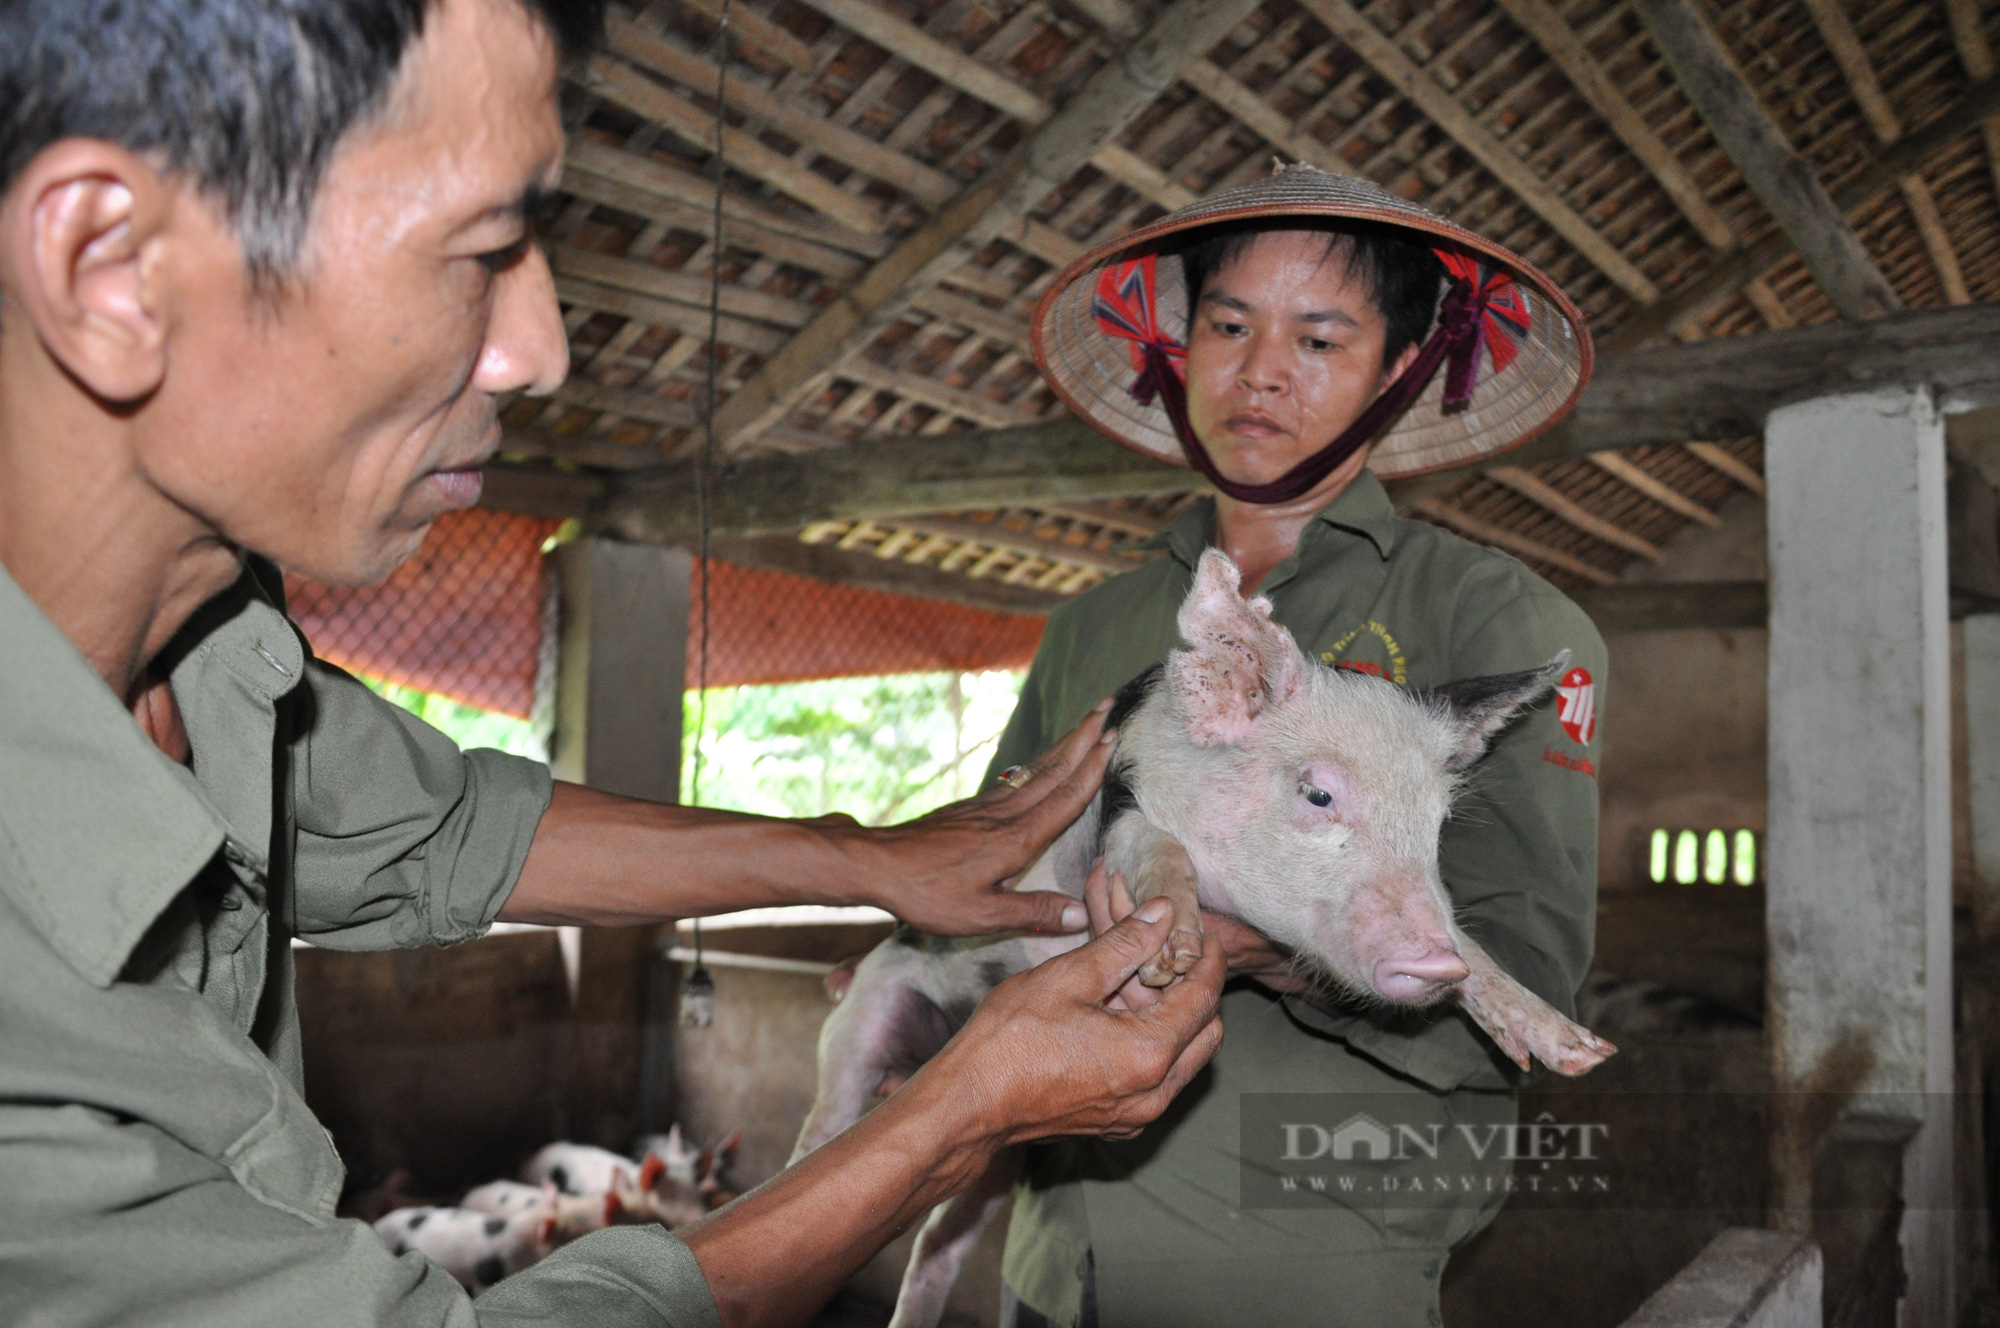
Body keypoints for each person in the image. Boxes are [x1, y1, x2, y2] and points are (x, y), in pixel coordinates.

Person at [0, 2, 1227, 1324]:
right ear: (111, 269)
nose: (544, 349)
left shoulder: (210, 651)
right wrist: (951, 1117)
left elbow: (449, 826)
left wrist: (854, 854)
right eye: (484, 246)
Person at [987, 166, 1609, 1326]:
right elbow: (1001, 860)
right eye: (1226, 323)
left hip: (1299, 1267)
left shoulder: (1498, 626)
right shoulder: (1092, 628)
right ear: (1177, 348)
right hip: (1048, 1255)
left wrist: (1255, 943)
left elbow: (1521, 960)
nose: (1259, 369)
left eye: (1319, 336)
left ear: (1400, 365)